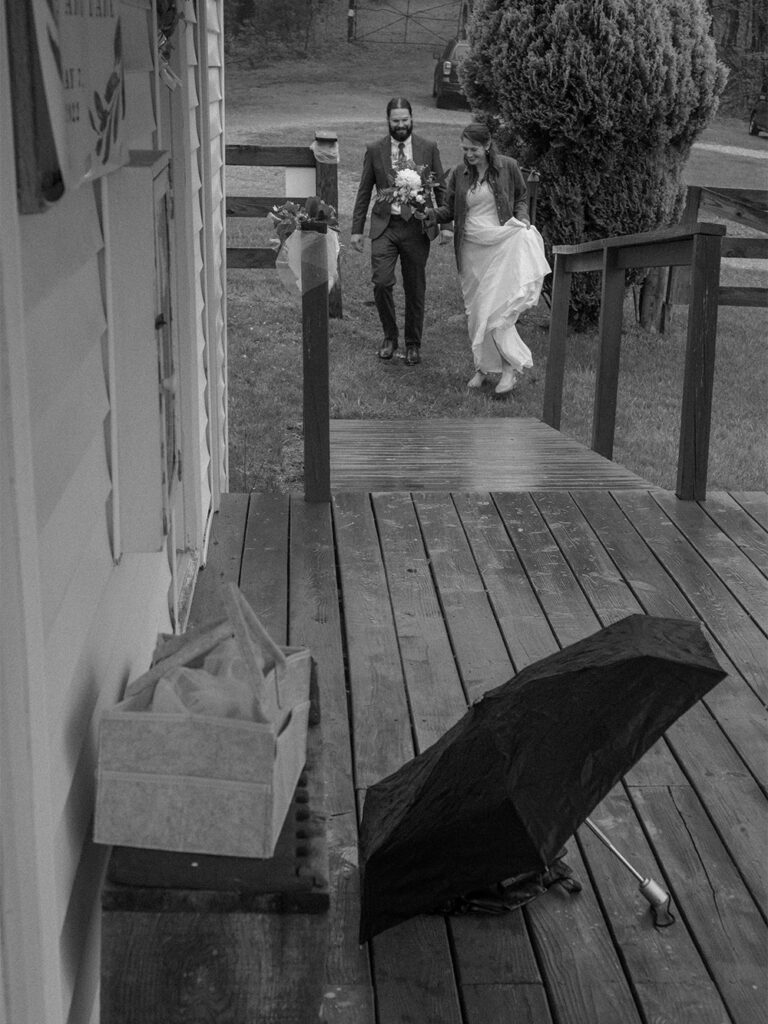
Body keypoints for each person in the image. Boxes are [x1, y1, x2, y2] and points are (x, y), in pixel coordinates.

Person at [436, 122, 551, 394]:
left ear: (487, 145)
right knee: (476, 311)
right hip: (471, 248)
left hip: (500, 243)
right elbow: (449, 210)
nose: (469, 154)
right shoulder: (459, 174)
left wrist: (522, 218)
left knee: (497, 309)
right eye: (464, 149)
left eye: (474, 149)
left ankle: (509, 370)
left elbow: (522, 196)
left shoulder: (508, 166)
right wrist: (428, 215)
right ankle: (482, 368)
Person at [351, 98, 445, 366]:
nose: (401, 125)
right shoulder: (375, 150)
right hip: (385, 226)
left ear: (412, 119)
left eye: (405, 120)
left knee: (415, 287)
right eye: (396, 121)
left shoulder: (428, 148)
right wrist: (356, 230)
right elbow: (363, 191)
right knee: (381, 282)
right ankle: (390, 337)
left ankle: (413, 344)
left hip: (417, 227)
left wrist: (446, 225)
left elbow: (440, 187)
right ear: (388, 121)